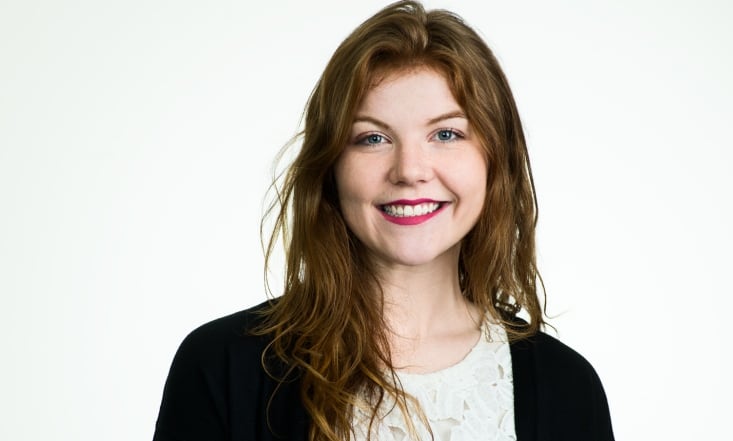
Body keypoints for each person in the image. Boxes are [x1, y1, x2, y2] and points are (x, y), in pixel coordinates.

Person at [153, 2, 614, 440]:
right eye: (372, 138)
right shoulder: (219, 366)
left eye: (446, 134)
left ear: (496, 160)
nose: (410, 169)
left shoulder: (568, 388)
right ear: (329, 167)